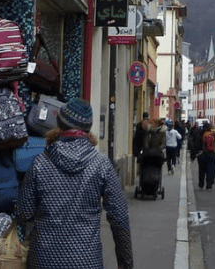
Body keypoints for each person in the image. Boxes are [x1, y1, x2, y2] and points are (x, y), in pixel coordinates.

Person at [16, 98, 133, 269]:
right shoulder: (101, 164)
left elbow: (24, 212)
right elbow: (120, 218)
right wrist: (126, 263)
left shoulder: (40, 162)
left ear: (59, 124)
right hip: (86, 260)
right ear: (87, 129)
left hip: (44, 259)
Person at [197, 122, 215, 189]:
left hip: (202, 153)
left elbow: (196, 144)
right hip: (212, 154)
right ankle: (209, 184)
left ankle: (201, 183)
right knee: (211, 169)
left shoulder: (201, 134)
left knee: (202, 170)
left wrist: (195, 153)